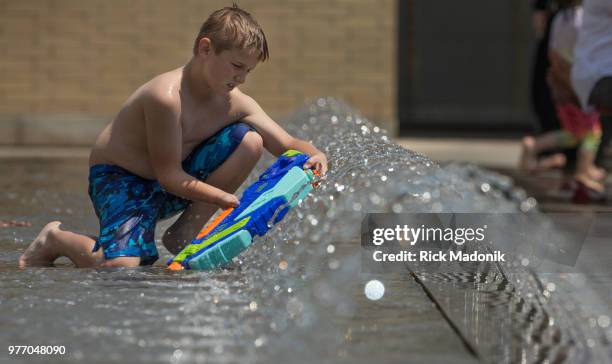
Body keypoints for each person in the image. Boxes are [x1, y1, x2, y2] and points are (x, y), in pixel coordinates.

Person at [19, 4, 328, 268]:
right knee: (122, 268)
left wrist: (313, 155)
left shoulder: (236, 102)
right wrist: (223, 200)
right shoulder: (166, 97)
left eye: (248, 71)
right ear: (205, 49)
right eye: (236, 66)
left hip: (174, 182)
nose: (242, 78)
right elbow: (168, 175)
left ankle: (184, 234)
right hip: (122, 181)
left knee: (251, 141)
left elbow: (286, 144)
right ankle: (54, 238)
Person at [520, 1, 606, 198]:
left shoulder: (560, 18)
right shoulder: (583, 19)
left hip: (560, 83)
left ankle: (535, 145)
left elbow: (553, 53)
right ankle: (584, 171)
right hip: (576, 84)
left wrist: (558, 79)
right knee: (592, 131)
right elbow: (584, 51)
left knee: (573, 133)